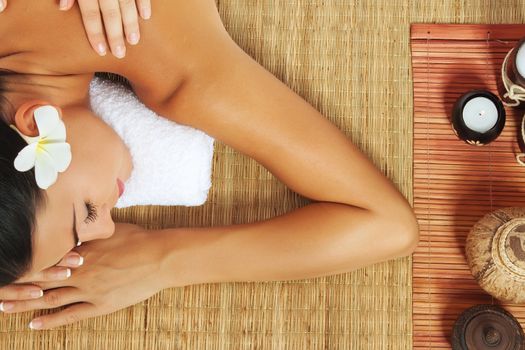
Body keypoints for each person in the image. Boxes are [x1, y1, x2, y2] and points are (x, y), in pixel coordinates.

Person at [0, 0, 419, 330]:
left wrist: (160, 260)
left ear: (38, 125)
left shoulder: (172, 64)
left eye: (87, 212)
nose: (107, 230)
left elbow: (384, 225)